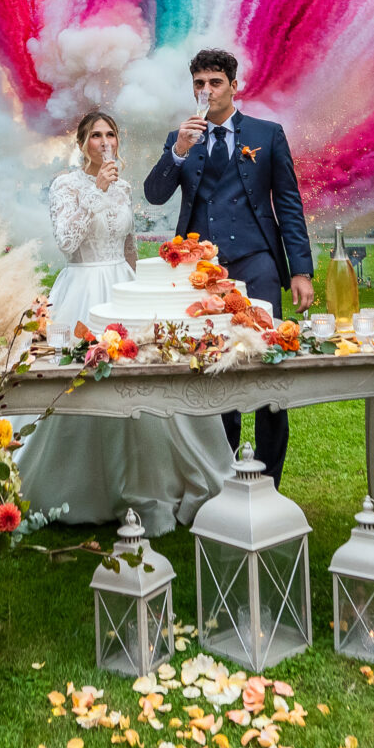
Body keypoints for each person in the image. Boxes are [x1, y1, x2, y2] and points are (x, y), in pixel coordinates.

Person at [18, 110, 235, 535]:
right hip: (82, 289)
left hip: (123, 288)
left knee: (143, 379)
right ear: (82, 144)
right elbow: (66, 241)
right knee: (81, 383)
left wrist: (140, 288)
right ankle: (75, 486)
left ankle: (150, 480)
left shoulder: (123, 186)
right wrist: (96, 190)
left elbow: (129, 245)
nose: (105, 142)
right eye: (96, 136)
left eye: (110, 135)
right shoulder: (66, 185)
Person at [141, 48, 313, 483]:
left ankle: (270, 480)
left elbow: (288, 203)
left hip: (258, 262)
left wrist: (300, 271)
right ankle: (222, 475)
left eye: (215, 82)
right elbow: (154, 195)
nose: (207, 91)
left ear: (234, 86)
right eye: (199, 83)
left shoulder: (267, 134)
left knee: (269, 363)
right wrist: (178, 150)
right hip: (203, 273)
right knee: (214, 365)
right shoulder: (181, 138)